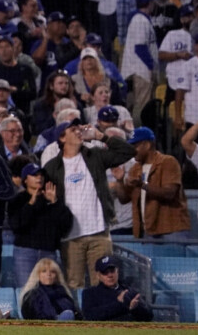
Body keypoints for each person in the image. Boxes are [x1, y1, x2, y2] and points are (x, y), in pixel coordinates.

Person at [43, 122, 135, 289]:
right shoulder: (51, 168)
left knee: (103, 285)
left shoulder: (95, 156)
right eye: (73, 130)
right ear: (62, 138)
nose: (79, 132)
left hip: (99, 234)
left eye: (79, 129)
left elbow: (128, 151)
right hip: (70, 237)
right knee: (73, 285)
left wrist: (101, 136)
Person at [8, 163, 73, 288]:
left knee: (50, 290)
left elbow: (65, 226)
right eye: (34, 175)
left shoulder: (51, 198)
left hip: (48, 252)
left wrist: (55, 202)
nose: (39, 178)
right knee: (26, 291)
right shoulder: (17, 200)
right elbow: (16, 224)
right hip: (25, 254)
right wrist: (31, 202)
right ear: (25, 179)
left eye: (41, 175)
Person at [117, 127, 191, 239]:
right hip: (147, 231)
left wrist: (142, 185)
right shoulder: (135, 168)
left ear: (146, 145)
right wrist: (119, 181)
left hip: (171, 230)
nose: (131, 151)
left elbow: (169, 193)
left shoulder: (168, 162)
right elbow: (123, 199)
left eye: (135, 146)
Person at [81, 255, 153, 322]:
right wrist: (119, 305)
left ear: (117, 271)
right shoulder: (90, 294)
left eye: (112, 271)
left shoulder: (129, 291)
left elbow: (149, 316)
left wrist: (135, 308)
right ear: (98, 275)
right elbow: (90, 316)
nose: (110, 275)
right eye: (105, 272)